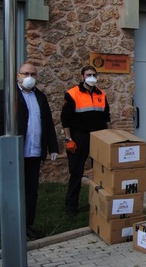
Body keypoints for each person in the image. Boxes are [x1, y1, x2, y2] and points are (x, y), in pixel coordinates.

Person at [0, 62, 59, 239]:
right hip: (14, 153)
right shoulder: (6, 95)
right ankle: (11, 225)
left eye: (33, 74)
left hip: (34, 152)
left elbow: (48, 123)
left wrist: (53, 147)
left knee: (31, 190)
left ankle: (27, 225)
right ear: (18, 75)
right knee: (13, 190)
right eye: (26, 73)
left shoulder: (40, 97)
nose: (29, 77)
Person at [61, 66, 110, 217]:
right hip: (80, 136)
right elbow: (65, 119)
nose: (92, 77)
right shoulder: (72, 93)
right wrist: (68, 139)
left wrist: (110, 137)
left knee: (101, 172)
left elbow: (106, 118)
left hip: (99, 136)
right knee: (76, 172)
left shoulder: (101, 94)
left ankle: (97, 203)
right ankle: (71, 206)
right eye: (89, 75)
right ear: (82, 77)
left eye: (94, 75)